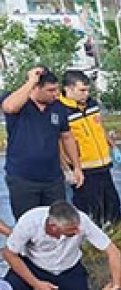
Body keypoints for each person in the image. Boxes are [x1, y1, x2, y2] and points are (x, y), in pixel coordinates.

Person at [1, 67, 81, 223]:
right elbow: (9, 107)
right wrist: (31, 80)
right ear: (35, 88)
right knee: (29, 224)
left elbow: (66, 137)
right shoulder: (19, 103)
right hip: (23, 179)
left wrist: (76, 167)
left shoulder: (58, 107)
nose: (56, 94)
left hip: (53, 179)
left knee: (58, 222)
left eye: (57, 89)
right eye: (50, 90)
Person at [60, 70, 121, 228]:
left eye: (88, 90)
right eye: (82, 90)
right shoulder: (61, 111)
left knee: (113, 205)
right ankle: (92, 244)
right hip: (83, 168)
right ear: (68, 89)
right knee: (91, 210)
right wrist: (68, 168)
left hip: (103, 164)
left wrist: (113, 147)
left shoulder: (91, 104)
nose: (86, 94)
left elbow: (100, 127)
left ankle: (118, 237)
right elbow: (59, 142)